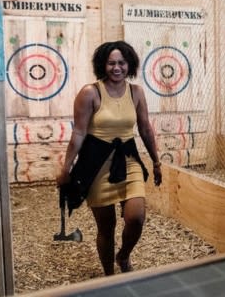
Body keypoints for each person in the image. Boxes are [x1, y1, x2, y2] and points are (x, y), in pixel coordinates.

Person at [57, 41, 162, 276]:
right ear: (103, 65)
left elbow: (145, 129)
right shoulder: (90, 92)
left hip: (128, 158)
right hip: (96, 164)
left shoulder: (136, 92)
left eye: (122, 63)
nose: (117, 68)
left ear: (130, 64)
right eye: (111, 63)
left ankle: (123, 255)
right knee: (107, 227)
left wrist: (156, 162)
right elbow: (79, 132)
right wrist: (66, 168)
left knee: (136, 218)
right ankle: (109, 276)